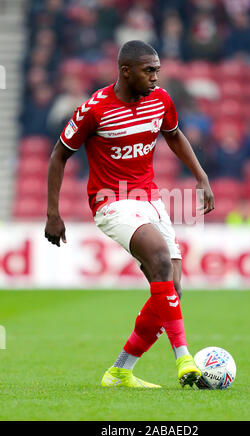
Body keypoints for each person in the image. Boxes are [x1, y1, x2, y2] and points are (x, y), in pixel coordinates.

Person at [44, 40, 214, 389]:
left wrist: (201, 175)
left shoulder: (160, 100)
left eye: (157, 70)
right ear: (126, 71)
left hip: (151, 198)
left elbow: (175, 135)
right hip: (110, 201)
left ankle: (121, 370)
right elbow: (59, 155)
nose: (155, 77)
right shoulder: (94, 109)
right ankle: (184, 358)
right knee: (159, 259)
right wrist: (52, 213)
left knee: (171, 289)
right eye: (149, 70)